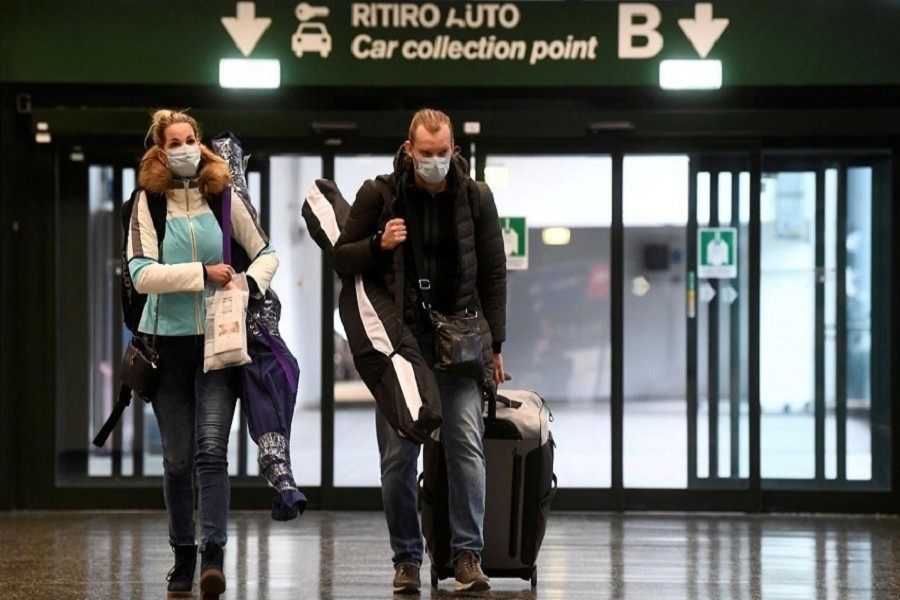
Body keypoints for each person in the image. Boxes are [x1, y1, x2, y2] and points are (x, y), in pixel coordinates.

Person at [333, 108, 507, 593]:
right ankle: (407, 560)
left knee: (466, 448)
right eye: (426, 154)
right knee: (398, 457)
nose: (435, 162)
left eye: (443, 153)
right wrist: (377, 242)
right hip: (400, 348)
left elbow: (494, 272)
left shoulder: (476, 197)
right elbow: (341, 259)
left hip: (461, 343)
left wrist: (498, 346)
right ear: (410, 151)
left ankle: (467, 557)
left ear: (455, 149)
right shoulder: (380, 194)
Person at [127, 109, 278, 600]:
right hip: (166, 348)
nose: (187, 147)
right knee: (176, 461)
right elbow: (141, 274)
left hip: (219, 342)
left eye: (192, 139)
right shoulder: (146, 204)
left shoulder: (223, 195)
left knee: (211, 453)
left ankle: (213, 554)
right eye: (176, 142)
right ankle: (182, 555)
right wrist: (202, 272)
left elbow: (267, 252)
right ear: (160, 151)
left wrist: (247, 281)